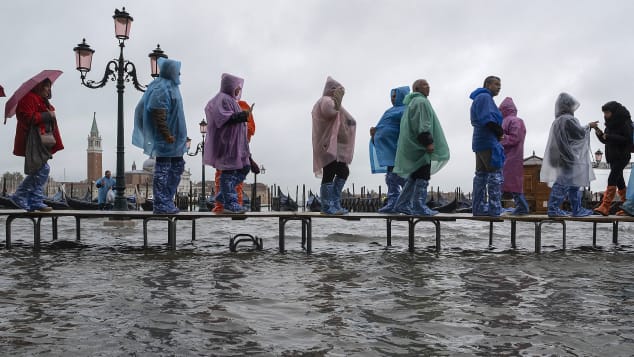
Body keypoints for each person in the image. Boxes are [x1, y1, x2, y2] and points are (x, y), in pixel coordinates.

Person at [132, 58, 188, 214]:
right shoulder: (161, 87)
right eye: (177, 71)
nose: (180, 73)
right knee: (163, 169)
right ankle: (160, 203)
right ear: (171, 71)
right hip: (166, 140)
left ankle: (167, 200)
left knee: (178, 166)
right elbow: (158, 112)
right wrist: (166, 134)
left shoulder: (173, 86)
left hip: (176, 139)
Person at [392, 79, 450, 215]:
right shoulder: (421, 101)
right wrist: (428, 141)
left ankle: (402, 204)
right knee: (423, 175)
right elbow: (423, 124)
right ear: (416, 88)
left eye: (428, 84)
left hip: (412, 145)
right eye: (424, 85)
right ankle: (418, 206)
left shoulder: (412, 102)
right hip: (420, 146)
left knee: (415, 176)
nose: (428, 87)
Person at [540, 92, 598, 217]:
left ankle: (570, 209)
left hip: (558, 157)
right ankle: (558, 209)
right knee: (567, 183)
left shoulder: (557, 121)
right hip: (568, 156)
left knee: (571, 183)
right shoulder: (569, 119)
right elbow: (579, 133)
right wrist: (589, 126)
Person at [10, 78, 64, 212]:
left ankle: (32, 199)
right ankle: (25, 197)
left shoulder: (44, 102)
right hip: (34, 139)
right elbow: (27, 117)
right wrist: (46, 115)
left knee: (41, 169)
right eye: (46, 86)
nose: (49, 90)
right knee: (42, 168)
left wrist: (49, 113)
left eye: (49, 87)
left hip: (43, 140)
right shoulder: (28, 98)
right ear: (39, 86)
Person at [204, 73, 253, 214]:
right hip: (227, 144)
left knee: (245, 168)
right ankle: (230, 203)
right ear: (230, 87)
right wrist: (241, 116)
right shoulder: (222, 99)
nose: (239, 90)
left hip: (237, 144)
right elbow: (222, 118)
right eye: (237, 87)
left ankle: (222, 195)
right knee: (228, 172)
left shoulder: (231, 100)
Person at [312, 76, 356, 215]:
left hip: (334, 146)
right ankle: (327, 207)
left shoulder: (335, 103)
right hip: (327, 146)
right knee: (329, 172)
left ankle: (335, 203)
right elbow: (330, 112)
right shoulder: (324, 101)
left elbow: (347, 119)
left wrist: (350, 123)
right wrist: (337, 103)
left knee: (343, 171)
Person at [369, 86, 410, 213]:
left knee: (400, 176)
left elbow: (406, 127)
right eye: (391, 96)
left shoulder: (406, 110)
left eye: (395, 96)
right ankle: (393, 202)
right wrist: (375, 133)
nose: (392, 99)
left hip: (398, 147)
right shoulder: (389, 110)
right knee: (390, 177)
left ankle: (407, 202)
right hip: (388, 148)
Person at [212, 100, 256, 213]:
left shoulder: (242, 105)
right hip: (228, 150)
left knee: (244, 169)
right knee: (227, 175)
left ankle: (224, 197)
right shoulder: (221, 104)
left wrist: (249, 157)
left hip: (240, 150)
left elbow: (248, 131)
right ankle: (227, 204)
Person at [470, 76, 505, 216]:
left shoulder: (479, 98)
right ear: (487, 84)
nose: (499, 87)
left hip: (479, 141)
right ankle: (494, 208)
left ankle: (478, 207)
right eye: (496, 84)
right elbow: (487, 119)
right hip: (488, 140)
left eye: (500, 85)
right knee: (495, 173)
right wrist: (499, 132)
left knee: (481, 175)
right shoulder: (485, 97)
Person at [592, 101, 633, 216]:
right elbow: (605, 140)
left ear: (614, 112)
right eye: (604, 113)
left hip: (622, 156)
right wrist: (598, 132)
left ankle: (605, 206)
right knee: (620, 182)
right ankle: (627, 207)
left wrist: (610, 136)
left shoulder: (625, 123)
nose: (605, 115)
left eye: (607, 112)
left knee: (612, 178)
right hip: (613, 157)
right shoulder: (609, 125)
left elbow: (627, 139)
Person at [499, 97, 530, 215]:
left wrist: (500, 139)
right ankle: (520, 206)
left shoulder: (516, 121)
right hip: (506, 156)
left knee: (511, 182)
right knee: (507, 181)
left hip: (512, 157)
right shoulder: (508, 121)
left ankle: (521, 207)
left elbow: (516, 137)